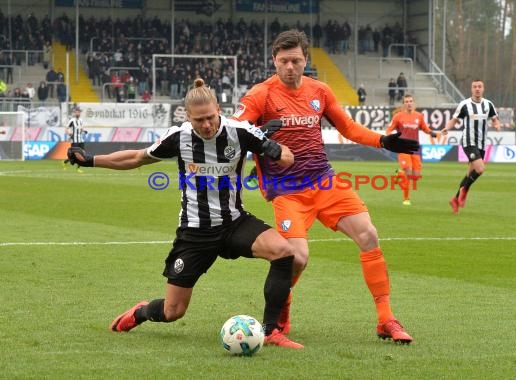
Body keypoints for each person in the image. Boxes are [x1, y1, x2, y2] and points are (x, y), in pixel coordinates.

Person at [66, 78, 304, 349]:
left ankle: (272, 330)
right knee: (173, 311)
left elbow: (288, 157)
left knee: (284, 252)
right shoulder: (178, 137)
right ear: (188, 117)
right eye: (199, 120)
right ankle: (140, 312)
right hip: (195, 231)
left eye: (211, 117)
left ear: (219, 110)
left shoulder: (240, 131)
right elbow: (136, 158)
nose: (206, 125)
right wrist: (92, 160)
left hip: (234, 222)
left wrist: (274, 149)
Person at [233, 30, 419, 344]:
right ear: (274, 61)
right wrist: (261, 134)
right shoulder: (260, 95)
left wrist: (384, 141)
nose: (289, 67)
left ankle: (386, 319)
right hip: (287, 191)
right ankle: (281, 315)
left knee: (369, 235)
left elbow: (348, 128)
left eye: (295, 60)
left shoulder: (320, 90)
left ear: (306, 60)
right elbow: (233, 130)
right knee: (297, 257)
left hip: (325, 182)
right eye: (283, 61)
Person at [442, 79, 500, 214]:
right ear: (471, 89)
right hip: (468, 141)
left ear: (483, 88)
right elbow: (455, 119)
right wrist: (447, 128)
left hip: (481, 143)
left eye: (479, 86)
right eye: (475, 87)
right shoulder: (465, 105)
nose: (477, 89)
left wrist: (497, 125)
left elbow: (495, 118)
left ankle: (455, 200)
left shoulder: (488, 104)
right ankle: (464, 191)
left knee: (469, 174)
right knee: (480, 169)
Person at [385, 94, 439, 205]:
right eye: (406, 101)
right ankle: (406, 199)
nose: (409, 103)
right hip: (403, 147)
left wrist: (432, 133)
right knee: (408, 172)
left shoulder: (419, 116)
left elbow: (424, 128)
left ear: (414, 103)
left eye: (410, 101)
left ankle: (399, 173)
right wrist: (389, 138)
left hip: (415, 148)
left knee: (415, 176)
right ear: (404, 104)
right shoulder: (398, 116)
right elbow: (389, 129)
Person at [63, 106, 87, 172]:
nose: (78, 113)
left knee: (82, 154)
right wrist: (69, 133)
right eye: (76, 112)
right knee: (74, 155)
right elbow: (66, 128)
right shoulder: (72, 120)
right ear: (74, 113)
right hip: (74, 140)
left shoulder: (81, 120)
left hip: (81, 140)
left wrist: (84, 131)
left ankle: (78, 168)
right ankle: (65, 162)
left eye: (79, 112)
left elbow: (81, 128)